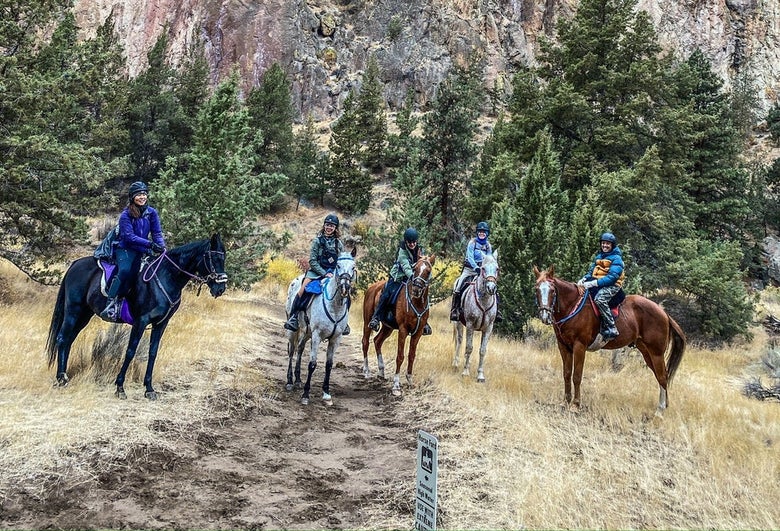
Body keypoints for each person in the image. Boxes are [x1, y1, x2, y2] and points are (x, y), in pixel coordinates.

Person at [100, 181, 166, 321]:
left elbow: (157, 233)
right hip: (125, 249)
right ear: (132, 197)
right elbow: (129, 237)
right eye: (138, 195)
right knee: (124, 271)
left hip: (142, 251)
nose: (142, 197)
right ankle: (110, 303)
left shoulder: (152, 213)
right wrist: (150, 245)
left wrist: (161, 246)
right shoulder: (126, 215)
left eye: (144, 194)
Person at [284, 213, 346, 333]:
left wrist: (335, 273)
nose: (329, 228)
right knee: (302, 289)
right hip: (316, 272)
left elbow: (341, 261)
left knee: (345, 292)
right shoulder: (317, 241)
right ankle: (294, 317)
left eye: (332, 226)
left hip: (333, 273)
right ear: (324, 226)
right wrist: (323, 273)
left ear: (335, 228)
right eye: (327, 225)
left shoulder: (339, 244)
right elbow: (312, 260)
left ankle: (344, 323)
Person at [368, 227, 432, 335]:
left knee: (423, 295)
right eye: (409, 242)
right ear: (406, 241)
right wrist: (413, 276)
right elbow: (406, 267)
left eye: (413, 242)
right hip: (398, 277)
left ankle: (424, 322)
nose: (412, 244)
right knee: (386, 294)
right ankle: (376, 318)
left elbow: (423, 263)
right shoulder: (402, 251)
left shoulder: (420, 249)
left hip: (413, 279)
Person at [449, 221, 502, 322]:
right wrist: (475, 267)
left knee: (493, 288)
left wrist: (484, 269)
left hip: (483, 271)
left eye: (484, 232)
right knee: (459, 286)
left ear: (487, 233)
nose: (482, 234)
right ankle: (455, 310)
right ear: (477, 233)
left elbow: (489, 259)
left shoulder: (488, 246)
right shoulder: (472, 243)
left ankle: (497, 312)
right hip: (469, 269)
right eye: (480, 232)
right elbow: (469, 257)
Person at [577, 232, 625, 340]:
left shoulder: (617, 259)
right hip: (599, 283)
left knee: (600, 299)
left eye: (608, 244)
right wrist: (584, 278)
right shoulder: (599, 257)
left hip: (612, 285)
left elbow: (612, 277)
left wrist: (594, 283)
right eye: (603, 243)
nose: (605, 246)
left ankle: (611, 326)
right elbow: (591, 272)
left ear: (612, 245)